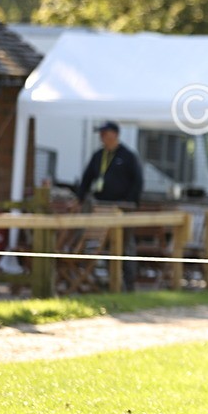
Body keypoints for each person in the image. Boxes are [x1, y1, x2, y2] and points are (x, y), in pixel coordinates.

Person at [76, 121, 143, 290]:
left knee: (125, 244)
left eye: (105, 133)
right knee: (104, 243)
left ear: (115, 134)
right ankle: (112, 282)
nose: (102, 137)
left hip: (122, 207)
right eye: (101, 133)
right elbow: (87, 179)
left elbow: (138, 181)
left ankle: (129, 283)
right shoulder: (98, 155)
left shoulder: (128, 155)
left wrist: (129, 202)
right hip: (102, 206)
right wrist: (80, 198)